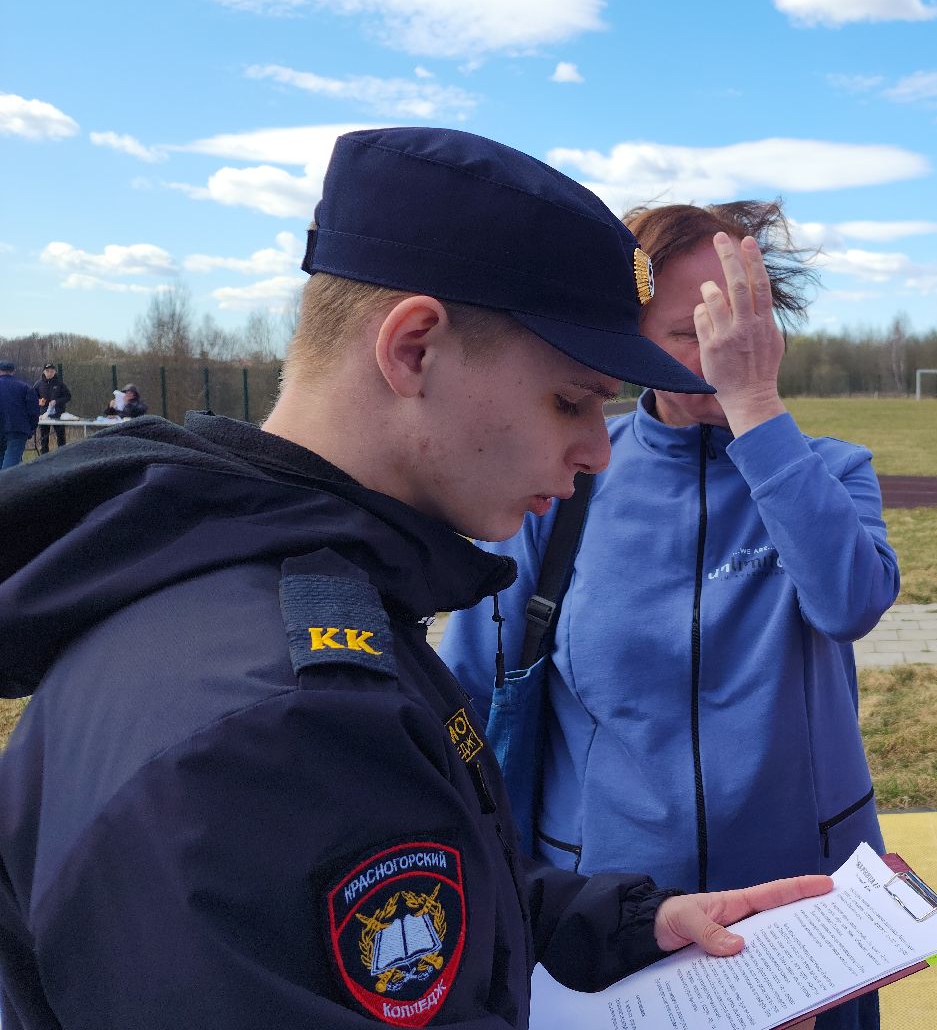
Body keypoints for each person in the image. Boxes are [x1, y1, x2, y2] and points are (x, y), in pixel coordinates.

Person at [0, 127, 832, 1029]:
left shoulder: (237, 585)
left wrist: (630, 927)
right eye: (571, 399)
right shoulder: (282, 719)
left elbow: (395, 896)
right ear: (414, 350)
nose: (597, 450)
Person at [438, 201, 898, 1029]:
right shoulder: (567, 483)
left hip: (802, 902)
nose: (720, 355)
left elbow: (850, 602)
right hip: (614, 914)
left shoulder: (826, 471)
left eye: (742, 326)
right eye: (692, 332)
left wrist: (757, 409)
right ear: (628, 339)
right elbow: (466, 687)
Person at [0, 361, 36, 470]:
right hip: (17, 429)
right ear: (14, 371)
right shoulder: (25, 387)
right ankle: (7, 484)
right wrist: (30, 429)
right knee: (11, 465)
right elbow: (33, 412)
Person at [34, 364, 71, 454]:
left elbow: (68, 396)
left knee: (60, 435)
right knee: (44, 436)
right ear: (44, 372)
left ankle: (62, 454)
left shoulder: (60, 384)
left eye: (52, 371)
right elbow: (33, 397)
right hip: (44, 415)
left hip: (58, 414)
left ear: (55, 372)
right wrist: (39, 401)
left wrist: (57, 401)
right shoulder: (38, 384)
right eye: (47, 371)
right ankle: (44, 455)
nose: (50, 373)